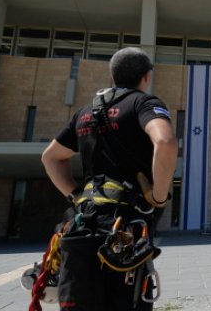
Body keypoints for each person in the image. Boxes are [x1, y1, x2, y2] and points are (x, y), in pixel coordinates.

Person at [41, 47, 177, 310]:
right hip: (124, 228)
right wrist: (159, 196)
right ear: (146, 76)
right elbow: (165, 142)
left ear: (112, 76)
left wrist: (76, 195)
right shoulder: (143, 103)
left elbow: (50, 157)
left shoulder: (85, 112)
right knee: (125, 300)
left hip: (82, 225)